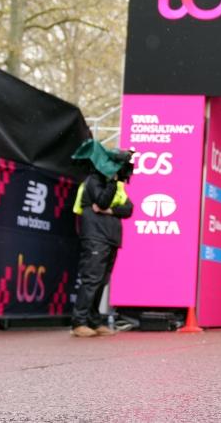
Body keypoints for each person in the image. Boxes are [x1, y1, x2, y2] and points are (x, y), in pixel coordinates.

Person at [69, 142, 135, 338]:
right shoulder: (94, 181)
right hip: (95, 237)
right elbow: (102, 202)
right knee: (91, 279)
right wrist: (112, 183)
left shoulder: (116, 186)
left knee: (101, 281)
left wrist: (111, 211)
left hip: (111, 238)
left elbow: (129, 209)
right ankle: (79, 322)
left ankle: (94, 321)